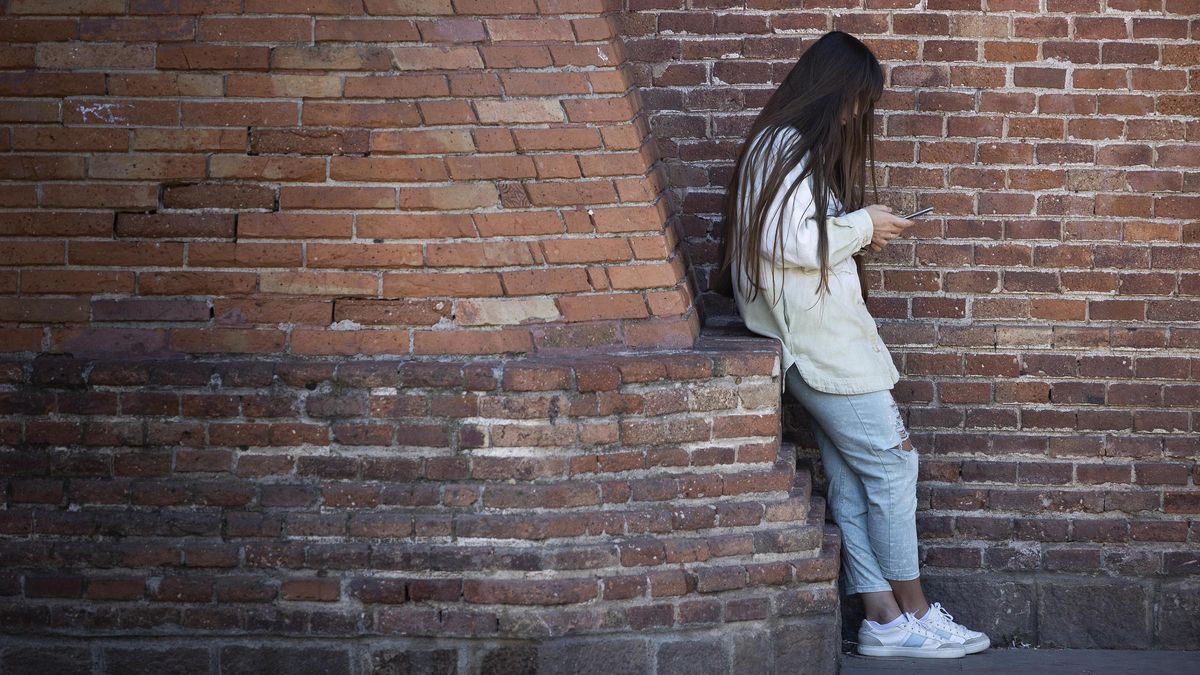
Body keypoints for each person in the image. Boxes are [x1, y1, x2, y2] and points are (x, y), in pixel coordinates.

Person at [715, 31, 990, 659]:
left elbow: (797, 235)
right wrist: (864, 223)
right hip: (825, 350)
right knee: (893, 467)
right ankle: (914, 608)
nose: (858, 113)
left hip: (819, 344)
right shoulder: (782, 146)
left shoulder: (783, 148)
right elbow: (783, 243)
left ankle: (883, 618)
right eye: (856, 99)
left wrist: (857, 229)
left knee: (848, 474)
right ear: (831, 90)